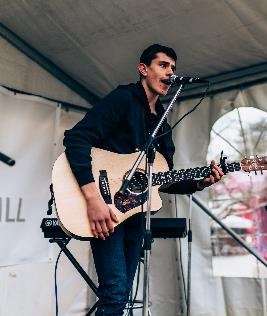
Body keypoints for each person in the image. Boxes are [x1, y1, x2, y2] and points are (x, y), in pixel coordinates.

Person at [63, 44, 224, 315]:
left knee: (122, 294)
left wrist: (200, 181)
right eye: (163, 65)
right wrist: (93, 199)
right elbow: (77, 138)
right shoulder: (123, 99)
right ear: (143, 69)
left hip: (135, 214)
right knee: (114, 293)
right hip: (106, 208)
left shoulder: (162, 123)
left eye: (173, 68)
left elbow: (163, 179)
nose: (171, 72)